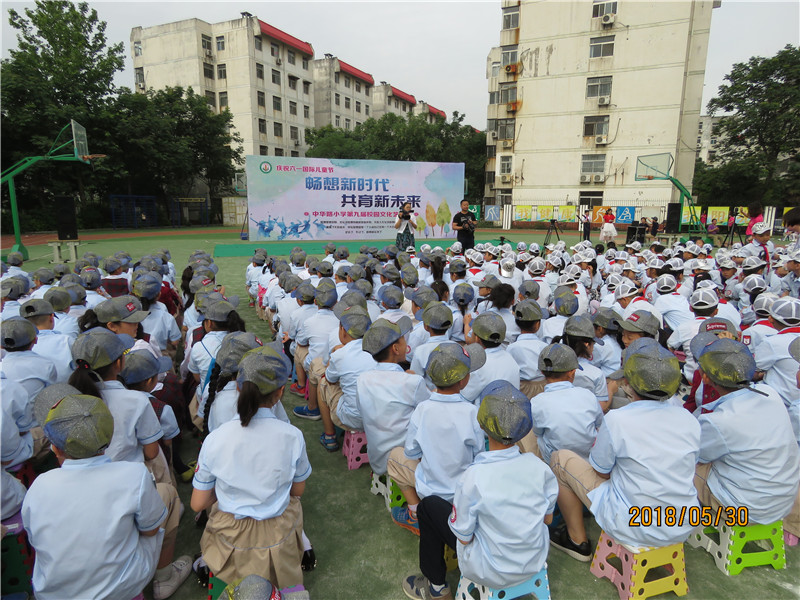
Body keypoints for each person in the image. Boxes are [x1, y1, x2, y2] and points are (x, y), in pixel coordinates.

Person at [401, 380, 557, 600]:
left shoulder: (473, 477)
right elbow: (547, 520)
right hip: (534, 561)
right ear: (524, 429)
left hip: (489, 570)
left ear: (482, 425)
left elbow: (463, 536)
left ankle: (436, 587)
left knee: (428, 506)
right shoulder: (542, 469)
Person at [22, 393, 186, 600]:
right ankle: (164, 577)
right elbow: (151, 530)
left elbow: (35, 538)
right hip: (119, 588)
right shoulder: (133, 475)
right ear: (109, 437)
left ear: (55, 448)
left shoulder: (38, 486)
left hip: (52, 594)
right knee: (165, 494)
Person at [549, 338, 700, 560]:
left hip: (633, 524)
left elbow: (601, 472)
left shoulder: (618, 420)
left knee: (560, 459)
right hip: (682, 523)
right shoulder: (689, 419)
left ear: (628, 382)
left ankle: (577, 540)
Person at [191, 345, 310, 589]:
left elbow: (197, 503)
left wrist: (225, 491)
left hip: (231, 535)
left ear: (238, 387)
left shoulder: (216, 438)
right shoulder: (293, 436)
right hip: (278, 532)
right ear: (280, 392)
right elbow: (297, 491)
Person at [694, 338, 800, 538]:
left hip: (746, 509)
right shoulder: (769, 393)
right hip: (783, 502)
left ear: (705, 378)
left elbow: (696, 455)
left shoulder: (720, 421)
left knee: (682, 469)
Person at [386, 342, 486, 534]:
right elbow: (478, 456)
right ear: (464, 380)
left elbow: (411, 451)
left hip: (429, 490)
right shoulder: (472, 412)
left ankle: (415, 513)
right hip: (462, 492)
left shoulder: (422, 410)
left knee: (395, 457)